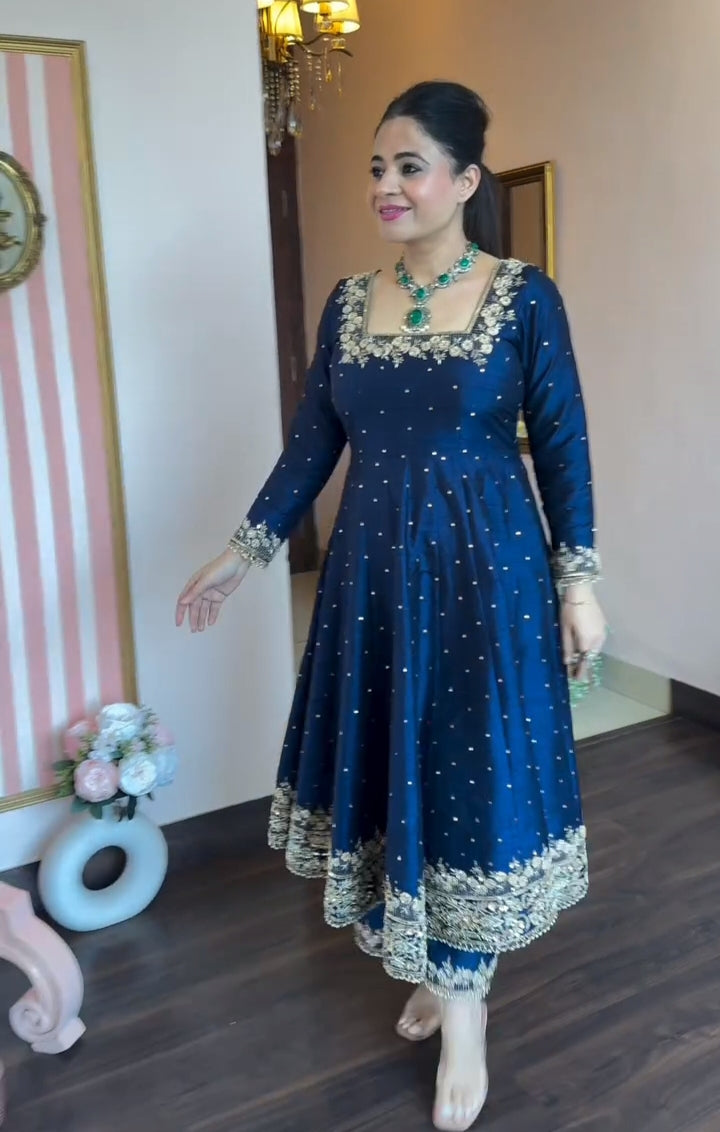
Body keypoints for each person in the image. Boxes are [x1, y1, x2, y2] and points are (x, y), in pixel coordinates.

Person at [176, 80, 607, 1132]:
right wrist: (243, 551)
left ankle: (465, 1009)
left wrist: (579, 582)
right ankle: (434, 967)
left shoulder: (523, 297)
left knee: (470, 782)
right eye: (378, 167)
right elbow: (312, 445)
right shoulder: (347, 304)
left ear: (464, 181)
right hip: (372, 582)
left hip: (486, 582)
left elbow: (563, 444)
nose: (387, 185)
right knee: (398, 777)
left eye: (410, 166)